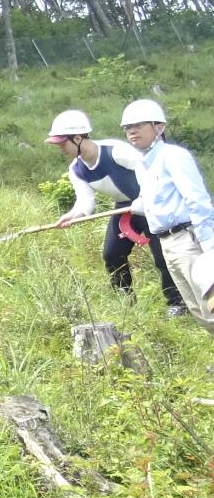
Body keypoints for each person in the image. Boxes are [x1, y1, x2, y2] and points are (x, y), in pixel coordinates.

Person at [43, 108, 182, 313]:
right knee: (112, 254)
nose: (61, 148)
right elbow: (85, 202)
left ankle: (177, 303)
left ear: (78, 138)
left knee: (162, 255)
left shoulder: (114, 150)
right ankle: (126, 304)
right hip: (124, 209)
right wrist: (72, 215)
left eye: (63, 143)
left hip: (152, 204)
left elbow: (151, 172)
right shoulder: (76, 169)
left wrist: (144, 199)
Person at [122, 99, 214, 333]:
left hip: (189, 238)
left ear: (159, 127)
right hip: (166, 243)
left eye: (139, 125)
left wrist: (208, 243)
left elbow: (197, 199)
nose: (132, 131)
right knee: (196, 310)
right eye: (128, 127)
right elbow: (149, 199)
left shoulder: (174, 156)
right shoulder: (142, 164)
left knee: (210, 305)